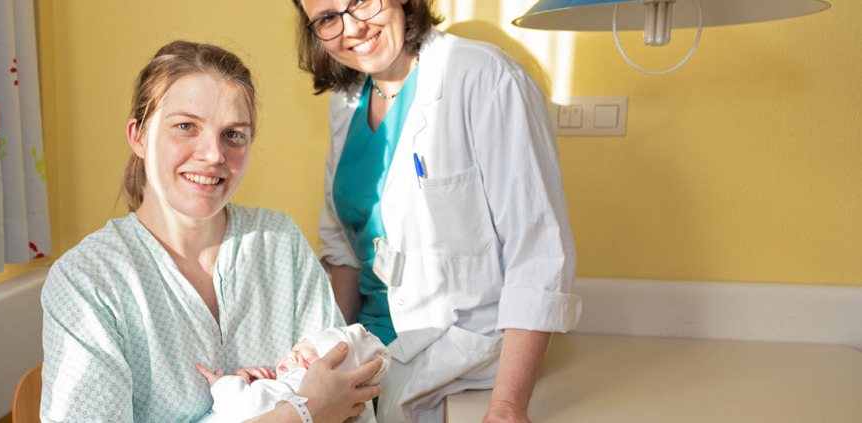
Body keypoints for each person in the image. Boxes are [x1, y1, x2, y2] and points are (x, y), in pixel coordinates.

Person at [39, 40, 382, 422]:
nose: (214, 154)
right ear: (138, 136)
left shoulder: (279, 244)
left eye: (233, 134)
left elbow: (350, 397)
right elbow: (326, 406)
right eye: (186, 127)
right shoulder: (89, 282)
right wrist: (304, 413)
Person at [289, 0, 583, 422]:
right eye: (328, 18)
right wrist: (329, 351)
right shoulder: (348, 96)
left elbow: (537, 255)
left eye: (361, 1)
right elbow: (344, 251)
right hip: (368, 338)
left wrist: (507, 407)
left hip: (460, 343)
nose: (351, 28)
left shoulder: (484, 77)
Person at [196, 324, 391, 422]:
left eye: (306, 361)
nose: (292, 356)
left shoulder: (292, 387)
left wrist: (226, 383)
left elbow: (241, 406)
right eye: (295, 349)